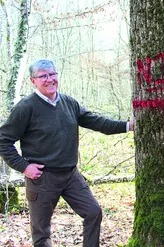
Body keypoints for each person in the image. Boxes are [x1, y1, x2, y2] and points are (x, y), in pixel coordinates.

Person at [0, 59, 134, 247]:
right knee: (41, 231)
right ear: (33, 81)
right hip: (42, 178)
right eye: (43, 76)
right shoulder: (26, 107)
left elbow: (96, 122)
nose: (49, 79)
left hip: (71, 175)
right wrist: (24, 167)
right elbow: (3, 141)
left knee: (93, 212)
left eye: (52, 74)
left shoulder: (69, 103)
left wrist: (128, 126)